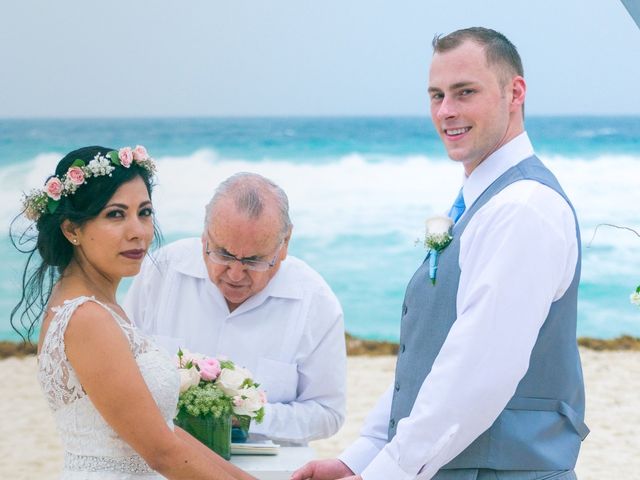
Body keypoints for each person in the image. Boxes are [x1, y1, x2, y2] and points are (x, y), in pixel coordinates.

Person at [292, 27, 588, 480]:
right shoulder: (480, 203)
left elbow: (474, 376)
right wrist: (360, 457)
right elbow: (430, 360)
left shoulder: (523, 209)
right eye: (436, 95)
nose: (446, 111)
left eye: (464, 92)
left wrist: (383, 474)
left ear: (515, 92)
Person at [11, 145, 255, 480]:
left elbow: (165, 432)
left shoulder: (102, 307)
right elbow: (161, 453)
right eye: (115, 214)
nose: (138, 231)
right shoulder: (87, 318)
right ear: (72, 230)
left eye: (144, 212)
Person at [124, 172, 346, 445]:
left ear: (285, 243)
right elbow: (123, 372)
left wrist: (246, 417)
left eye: (254, 260)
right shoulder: (161, 272)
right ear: (205, 235)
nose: (236, 274)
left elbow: (328, 413)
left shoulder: (316, 302)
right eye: (224, 255)